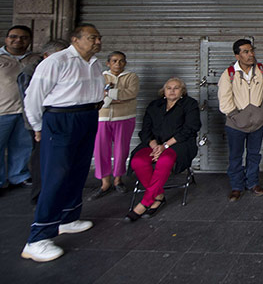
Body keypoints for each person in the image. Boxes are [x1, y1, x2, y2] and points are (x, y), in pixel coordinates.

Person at [21, 24, 105, 262]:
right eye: (92, 38)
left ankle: (68, 218)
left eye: (99, 38)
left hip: (87, 117)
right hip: (60, 119)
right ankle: (37, 239)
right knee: (55, 176)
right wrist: (38, 127)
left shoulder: (95, 62)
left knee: (78, 171)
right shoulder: (56, 61)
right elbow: (33, 97)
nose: (97, 41)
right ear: (75, 39)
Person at [125, 77, 200, 221]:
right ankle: (158, 196)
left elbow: (191, 128)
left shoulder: (190, 104)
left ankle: (145, 202)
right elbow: (145, 130)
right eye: (169, 88)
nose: (172, 91)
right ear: (163, 91)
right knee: (138, 161)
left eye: (176, 88)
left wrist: (165, 146)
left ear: (182, 91)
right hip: (154, 144)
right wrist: (155, 146)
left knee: (165, 161)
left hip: (179, 144)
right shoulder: (154, 105)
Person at [218, 39, 263, 201]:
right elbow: (224, 100)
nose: (251, 55)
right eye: (245, 52)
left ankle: (253, 183)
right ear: (237, 55)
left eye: (251, 51)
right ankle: (236, 186)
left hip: (257, 122)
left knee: (254, 154)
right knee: (236, 155)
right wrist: (236, 116)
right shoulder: (229, 74)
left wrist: (260, 112)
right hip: (235, 124)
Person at [89, 51, 140, 200]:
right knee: (100, 150)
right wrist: (117, 96)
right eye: (114, 61)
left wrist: (109, 95)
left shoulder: (131, 77)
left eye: (121, 61)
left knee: (121, 149)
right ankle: (104, 182)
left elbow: (131, 93)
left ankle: (118, 179)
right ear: (108, 63)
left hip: (125, 117)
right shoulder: (100, 76)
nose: (118, 64)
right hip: (102, 118)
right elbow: (96, 94)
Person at [0, 25, 41, 193]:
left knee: (23, 145)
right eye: (14, 36)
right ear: (6, 39)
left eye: (23, 37)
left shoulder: (35, 59)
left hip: (25, 111)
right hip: (2, 110)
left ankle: (19, 175)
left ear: (30, 40)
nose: (18, 40)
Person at [29, 39, 69, 205]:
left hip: (60, 121)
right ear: (47, 56)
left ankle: (57, 195)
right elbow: (31, 101)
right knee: (41, 160)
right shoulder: (33, 72)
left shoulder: (62, 69)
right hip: (44, 122)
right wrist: (37, 127)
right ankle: (40, 198)